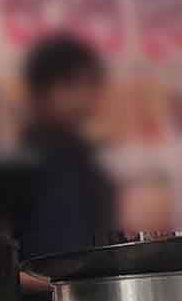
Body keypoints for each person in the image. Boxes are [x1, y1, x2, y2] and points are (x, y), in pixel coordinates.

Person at [15, 33, 118, 264]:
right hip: (41, 297)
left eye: (90, 84)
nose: (84, 96)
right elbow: (2, 268)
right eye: (72, 85)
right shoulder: (21, 161)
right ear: (41, 91)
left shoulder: (86, 159)